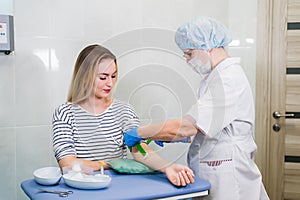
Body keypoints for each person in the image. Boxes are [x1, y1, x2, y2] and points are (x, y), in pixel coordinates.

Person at [124, 17, 269, 200]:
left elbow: (187, 127)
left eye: (189, 53)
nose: (187, 60)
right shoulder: (214, 78)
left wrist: (141, 132)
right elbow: (207, 128)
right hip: (215, 170)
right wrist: (166, 135)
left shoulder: (227, 80)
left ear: (208, 46)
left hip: (228, 176)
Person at [52, 44, 195, 186]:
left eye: (113, 76)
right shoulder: (65, 113)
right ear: (84, 77)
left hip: (118, 187)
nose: (110, 83)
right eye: (103, 77)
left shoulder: (124, 111)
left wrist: (167, 167)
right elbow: (68, 165)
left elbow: (140, 150)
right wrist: (111, 164)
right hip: (83, 187)